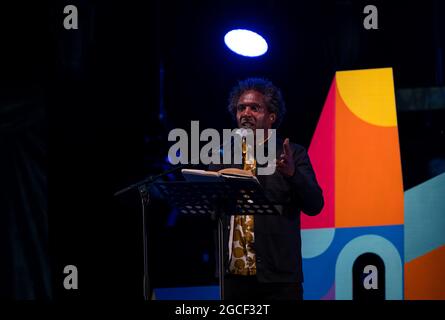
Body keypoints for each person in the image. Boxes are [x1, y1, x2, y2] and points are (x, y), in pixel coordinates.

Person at [209, 77, 324, 300]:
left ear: (271, 116)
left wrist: (293, 174)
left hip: (278, 277)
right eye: (241, 108)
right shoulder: (221, 155)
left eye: (255, 107)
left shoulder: (291, 154)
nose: (246, 113)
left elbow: (315, 205)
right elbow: (213, 210)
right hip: (234, 274)